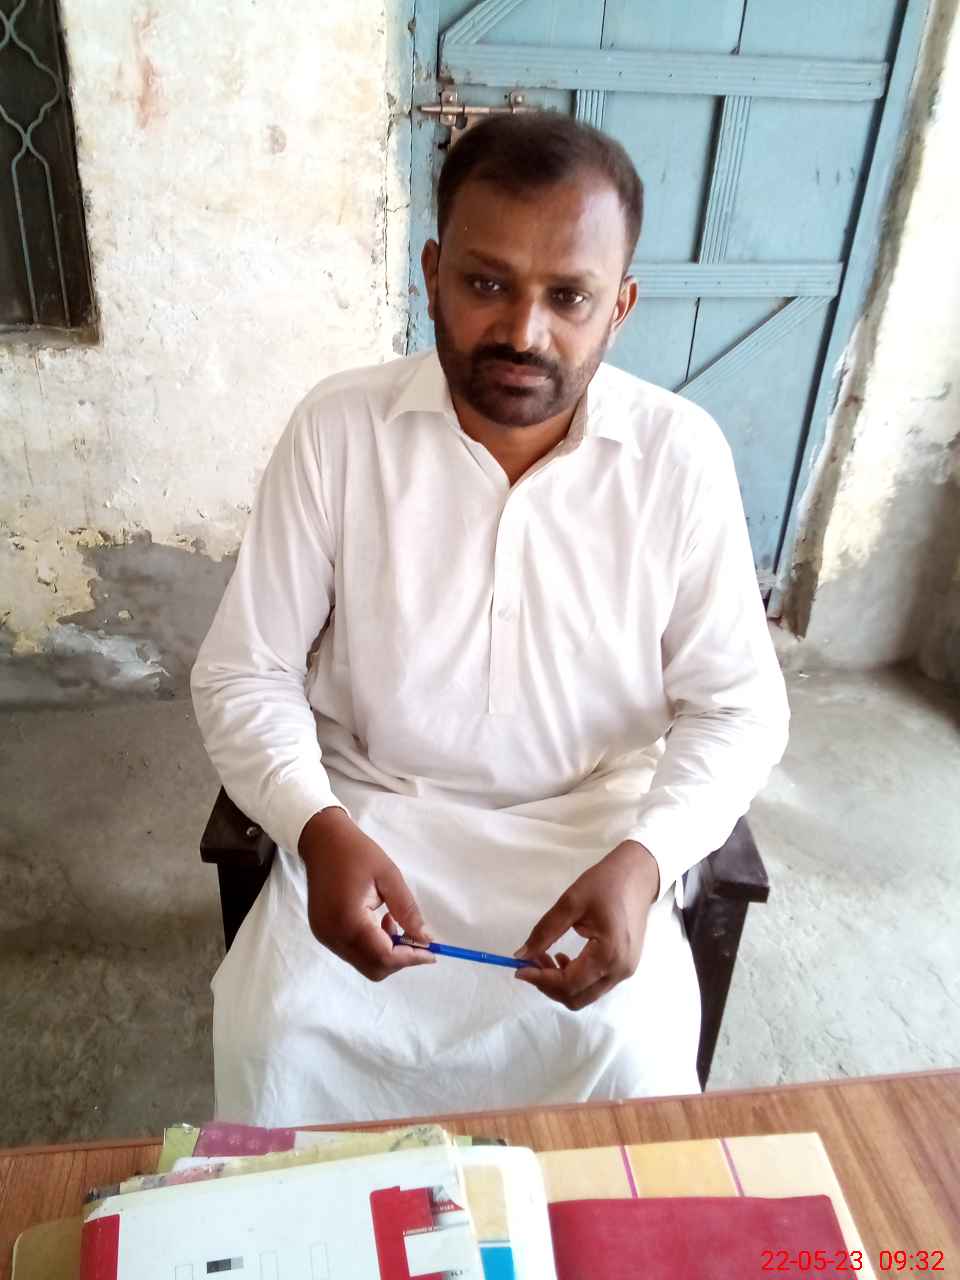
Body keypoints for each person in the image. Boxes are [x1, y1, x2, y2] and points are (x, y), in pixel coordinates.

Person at [191, 112, 789, 1125]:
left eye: (569, 297)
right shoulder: (339, 429)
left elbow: (739, 707)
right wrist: (315, 827)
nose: (524, 331)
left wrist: (648, 860)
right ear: (432, 274)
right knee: (280, 1034)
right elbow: (244, 670)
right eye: (486, 283)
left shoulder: (679, 457)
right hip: (372, 816)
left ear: (620, 306)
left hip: (593, 833)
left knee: (632, 1053)